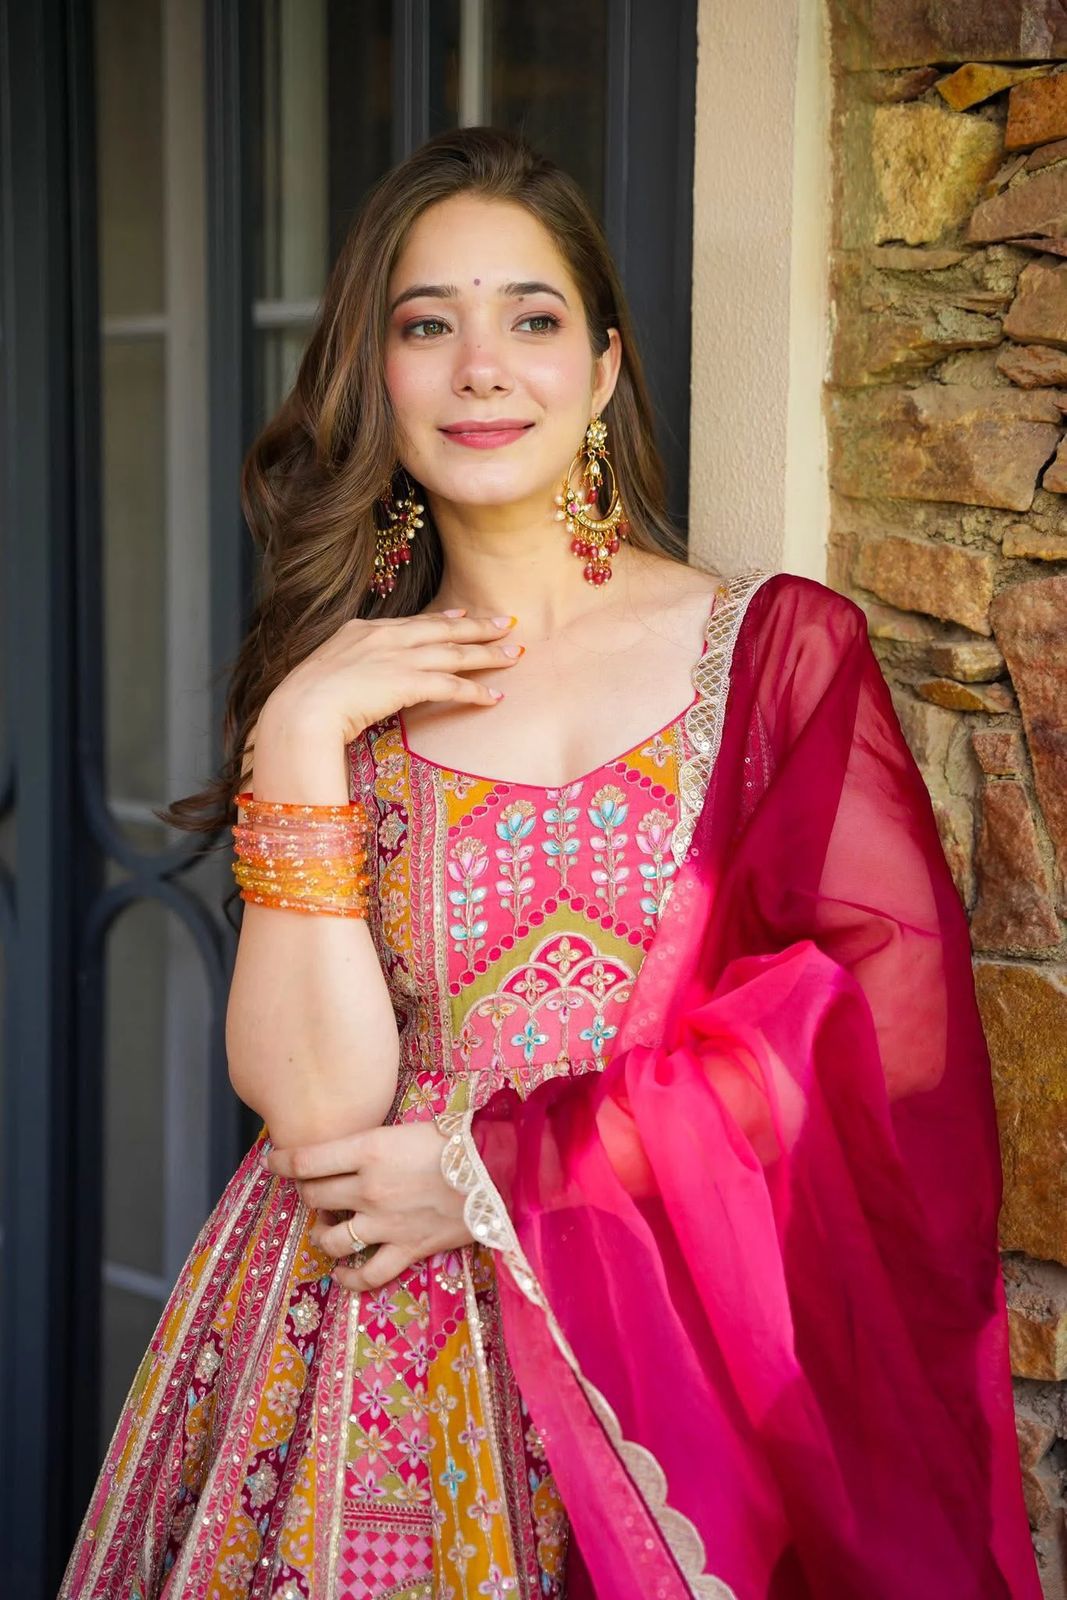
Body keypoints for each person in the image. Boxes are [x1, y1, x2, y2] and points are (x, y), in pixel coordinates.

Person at [60, 126, 1041, 1600]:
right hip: (359, 1358)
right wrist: (306, 725)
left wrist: (491, 1175)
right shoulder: (345, 699)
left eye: (530, 318)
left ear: (603, 368)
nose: (479, 367)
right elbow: (317, 1106)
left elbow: (868, 1045)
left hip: (660, 1364)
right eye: (425, 324)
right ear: (374, 378)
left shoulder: (771, 657)